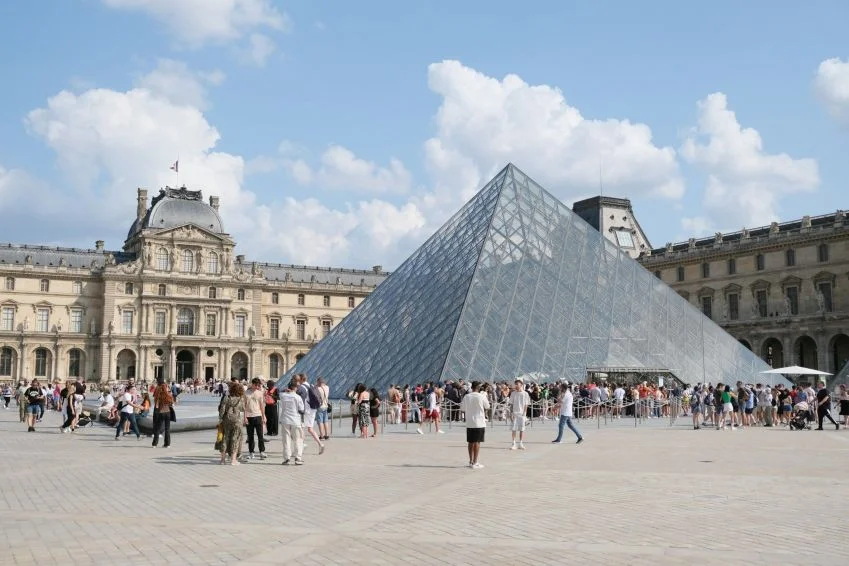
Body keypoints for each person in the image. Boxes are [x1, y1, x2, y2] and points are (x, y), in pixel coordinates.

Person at [460, 381, 490, 469]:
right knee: (477, 442)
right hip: (479, 422)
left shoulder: (467, 396)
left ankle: (470, 461)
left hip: (469, 422)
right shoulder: (481, 396)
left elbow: (462, 408)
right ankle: (475, 462)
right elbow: (487, 406)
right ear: (479, 388)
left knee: (470, 442)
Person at [219, 382, 246, 465]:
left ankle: (222, 460)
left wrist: (221, 418)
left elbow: (222, 409)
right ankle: (233, 460)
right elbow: (243, 409)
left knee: (225, 438)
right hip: (237, 420)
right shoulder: (241, 398)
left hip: (227, 419)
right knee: (235, 438)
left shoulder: (227, 398)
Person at [279, 379, 305, 465]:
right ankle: (298, 458)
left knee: (286, 440)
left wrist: (285, 390)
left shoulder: (283, 395)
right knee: (298, 439)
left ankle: (287, 458)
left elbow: (279, 391)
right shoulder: (298, 397)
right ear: (295, 388)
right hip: (295, 420)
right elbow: (301, 410)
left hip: (285, 419)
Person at [509, 379, 530, 450]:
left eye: (517, 384)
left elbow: (526, 404)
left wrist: (524, 414)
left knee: (522, 429)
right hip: (515, 413)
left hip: (522, 414)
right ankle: (513, 443)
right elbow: (511, 404)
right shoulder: (513, 393)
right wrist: (511, 413)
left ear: (521, 385)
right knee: (513, 429)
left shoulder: (525, 394)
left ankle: (520, 443)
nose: (516, 385)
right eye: (515, 384)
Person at [152, 376, 173, 448]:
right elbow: (171, 401)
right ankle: (167, 444)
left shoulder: (158, 389)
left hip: (160, 411)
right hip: (167, 411)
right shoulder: (167, 391)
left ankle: (154, 444)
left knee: (157, 428)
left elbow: (155, 398)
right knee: (167, 428)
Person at [315, 377, 330, 441]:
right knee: (325, 421)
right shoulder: (327, 388)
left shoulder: (317, 388)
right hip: (326, 406)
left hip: (319, 406)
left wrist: (316, 385)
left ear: (318, 382)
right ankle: (327, 435)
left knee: (320, 422)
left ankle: (322, 435)